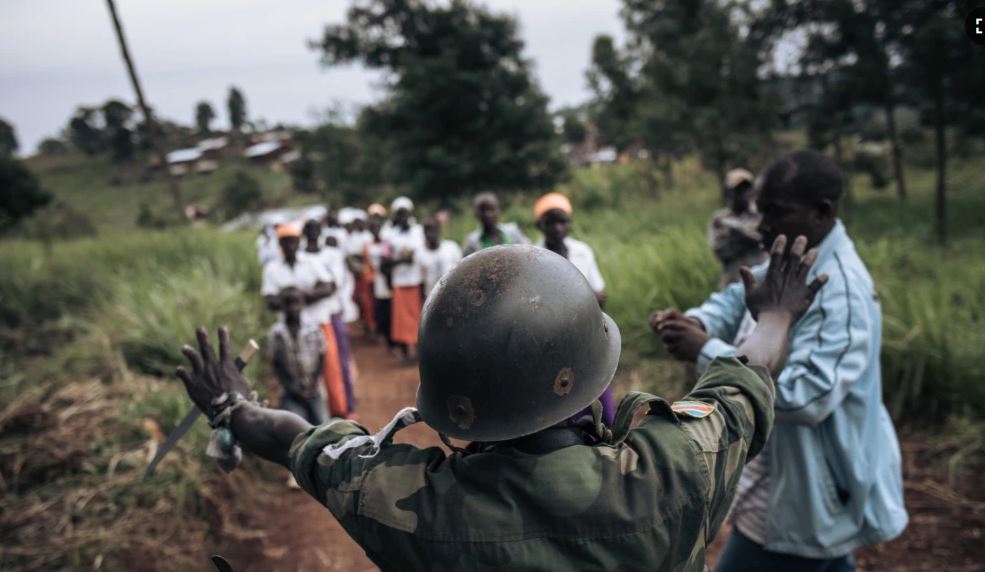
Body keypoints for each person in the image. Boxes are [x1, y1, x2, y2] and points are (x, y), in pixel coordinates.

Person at [175, 236, 825, 570]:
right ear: (595, 387)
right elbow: (744, 378)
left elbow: (297, 440)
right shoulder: (677, 467)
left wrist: (231, 407)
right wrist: (773, 313)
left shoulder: (409, 507)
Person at [652, 150, 908, 571]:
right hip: (791, 476)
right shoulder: (792, 254)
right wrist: (698, 320)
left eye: (775, 212)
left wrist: (706, 350)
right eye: (760, 211)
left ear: (821, 212)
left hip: (808, 486)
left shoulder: (838, 289)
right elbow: (741, 295)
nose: (762, 226)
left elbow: (806, 398)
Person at [533, 192, 615, 424]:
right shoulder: (533, 257)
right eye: (551, 222)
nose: (557, 228)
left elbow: (599, 293)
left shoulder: (582, 251)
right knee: (563, 390)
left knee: (598, 388)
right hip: (552, 335)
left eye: (562, 222)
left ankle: (605, 431)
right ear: (540, 225)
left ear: (569, 225)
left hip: (587, 331)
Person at [300, 219, 356, 419]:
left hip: (333, 312)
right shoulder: (300, 256)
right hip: (309, 318)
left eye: (316, 229)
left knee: (340, 363)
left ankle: (346, 406)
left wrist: (305, 294)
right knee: (312, 366)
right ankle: (322, 410)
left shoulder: (331, 254)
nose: (313, 232)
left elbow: (335, 284)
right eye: (310, 229)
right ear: (304, 232)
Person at [268, 287, 330, 426]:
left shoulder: (313, 328)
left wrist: (314, 382)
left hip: (315, 389)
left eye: (296, 303)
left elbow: (321, 355)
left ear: (303, 304)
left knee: (323, 426)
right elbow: (277, 364)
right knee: (295, 428)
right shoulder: (276, 333)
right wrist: (291, 388)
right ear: (282, 307)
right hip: (290, 392)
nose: (293, 308)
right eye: (288, 304)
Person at [382, 196, 425, 360]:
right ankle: (408, 350)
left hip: (416, 281)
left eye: (405, 213)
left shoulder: (419, 231)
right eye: (399, 214)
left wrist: (400, 259)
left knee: (418, 316)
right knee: (402, 320)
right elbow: (385, 261)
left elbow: (418, 255)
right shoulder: (390, 235)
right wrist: (402, 259)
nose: (403, 217)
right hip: (399, 282)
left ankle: (419, 349)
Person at [710, 169, 767, 288]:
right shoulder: (720, 219)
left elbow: (765, 241)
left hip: (761, 282)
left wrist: (740, 234)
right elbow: (720, 251)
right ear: (729, 193)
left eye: (746, 189)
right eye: (738, 190)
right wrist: (746, 241)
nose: (743, 193)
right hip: (733, 282)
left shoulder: (761, 214)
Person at [364, 213, 396, 352]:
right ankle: (387, 337)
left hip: (389, 280)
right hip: (377, 282)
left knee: (391, 311)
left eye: (378, 227)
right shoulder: (368, 246)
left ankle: (394, 340)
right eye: (373, 227)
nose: (375, 230)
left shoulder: (387, 244)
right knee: (381, 312)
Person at [461, 192, 529, 256]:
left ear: (499, 211)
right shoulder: (472, 241)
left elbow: (528, 252)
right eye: (482, 210)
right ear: (476, 214)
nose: (487, 214)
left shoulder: (513, 231)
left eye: (491, 209)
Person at [417, 216, 462, 297]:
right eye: (427, 229)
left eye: (433, 229)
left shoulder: (452, 247)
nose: (430, 233)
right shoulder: (420, 254)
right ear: (423, 232)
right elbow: (421, 282)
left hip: (453, 295)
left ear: (439, 229)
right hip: (432, 299)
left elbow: (461, 271)